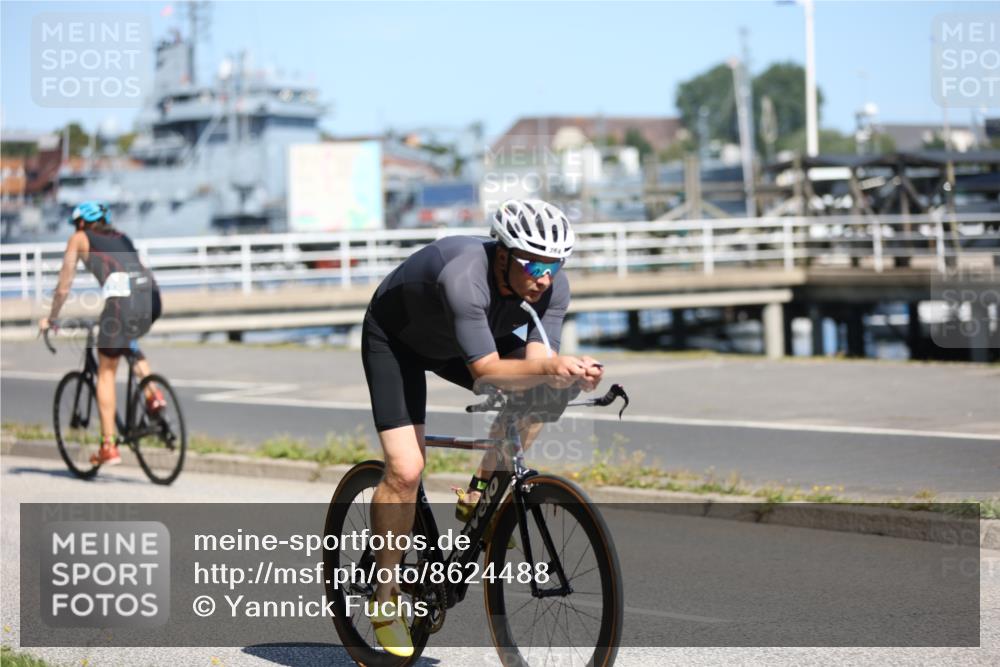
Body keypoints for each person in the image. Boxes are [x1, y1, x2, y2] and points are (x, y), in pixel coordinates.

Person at [360, 199, 603, 655]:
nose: (545, 276)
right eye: (534, 263)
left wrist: (565, 372)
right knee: (407, 470)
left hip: (460, 339)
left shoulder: (551, 286)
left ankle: (479, 492)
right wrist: (554, 367)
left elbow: (534, 365)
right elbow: (486, 373)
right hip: (396, 342)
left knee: (546, 392)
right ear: (505, 255)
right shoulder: (464, 276)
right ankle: (385, 596)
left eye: (555, 263)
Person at [38, 201, 164, 466]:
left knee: (106, 369)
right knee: (127, 341)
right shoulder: (121, 236)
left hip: (123, 303)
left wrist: (51, 318)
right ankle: (153, 395)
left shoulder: (79, 238)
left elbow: (64, 285)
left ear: (81, 222)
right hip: (151, 298)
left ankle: (109, 446)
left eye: (76, 224)